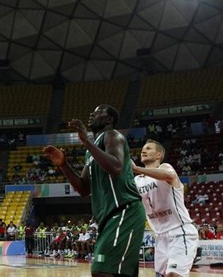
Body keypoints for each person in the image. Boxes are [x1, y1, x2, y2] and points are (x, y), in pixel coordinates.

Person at [44, 104, 145, 277]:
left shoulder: (112, 135)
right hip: (107, 218)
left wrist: (86, 141)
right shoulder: (91, 152)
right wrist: (64, 165)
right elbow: (83, 188)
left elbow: (116, 167)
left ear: (109, 119)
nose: (92, 114)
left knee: (101, 271)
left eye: (98, 112)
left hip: (124, 211)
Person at [133, 139, 198, 277]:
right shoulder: (137, 181)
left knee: (173, 275)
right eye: (143, 149)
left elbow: (168, 176)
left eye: (149, 148)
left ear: (159, 155)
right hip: (160, 236)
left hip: (181, 232)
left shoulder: (165, 167)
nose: (144, 151)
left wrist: (136, 168)